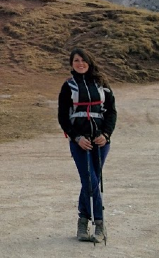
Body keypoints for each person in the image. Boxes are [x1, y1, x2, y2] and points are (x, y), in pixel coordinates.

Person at [57, 47, 117, 243]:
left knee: (92, 181)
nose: (80, 64)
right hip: (80, 142)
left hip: (100, 141)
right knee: (90, 181)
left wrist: (106, 135)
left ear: (89, 62)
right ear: (71, 64)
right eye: (76, 61)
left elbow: (111, 112)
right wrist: (76, 138)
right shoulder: (68, 87)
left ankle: (83, 220)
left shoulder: (102, 84)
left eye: (83, 60)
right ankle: (99, 223)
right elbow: (63, 117)